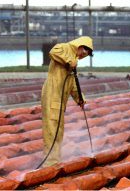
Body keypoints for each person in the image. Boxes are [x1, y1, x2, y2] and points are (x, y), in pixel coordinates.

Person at [41, 36, 93, 167]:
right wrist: (70, 61)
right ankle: (50, 164)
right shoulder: (65, 48)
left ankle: (55, 161)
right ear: (81, 46)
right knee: (52, 130)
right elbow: (53, 52)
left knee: (58, 130)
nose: (84, 56)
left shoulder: (74, 61)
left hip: (59, 99)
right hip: (53, 95)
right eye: (85, 52)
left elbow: (72, 84)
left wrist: (80, 98)